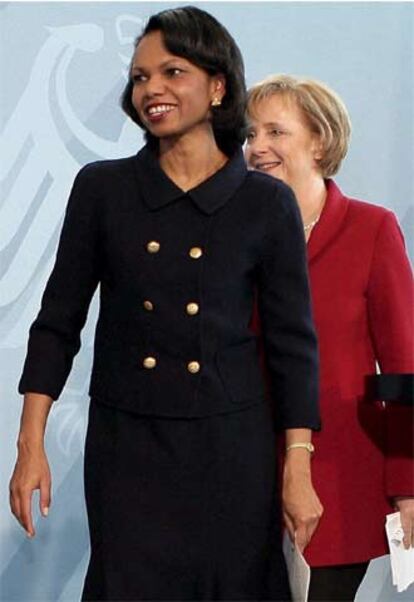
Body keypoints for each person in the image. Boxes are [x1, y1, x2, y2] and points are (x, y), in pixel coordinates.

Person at [9, 9, 322, 601]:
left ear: (218, 85)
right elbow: (56, 325)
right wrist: (30, 447)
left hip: (231, 447)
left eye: (172, 71)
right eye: (139, 77)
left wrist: (297, 467)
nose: (151, 89)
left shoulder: (266, 203)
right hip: (129, 446)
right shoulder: (102, 189)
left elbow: (292, 346)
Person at [245, 74, 414, 601]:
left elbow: (404, 367)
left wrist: (408, 485)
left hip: (341, 486)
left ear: (319, 141)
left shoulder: (371, 229)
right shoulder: (231, 236)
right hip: (241, 480)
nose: (257, 147)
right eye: (250, 135)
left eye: (275, 131)